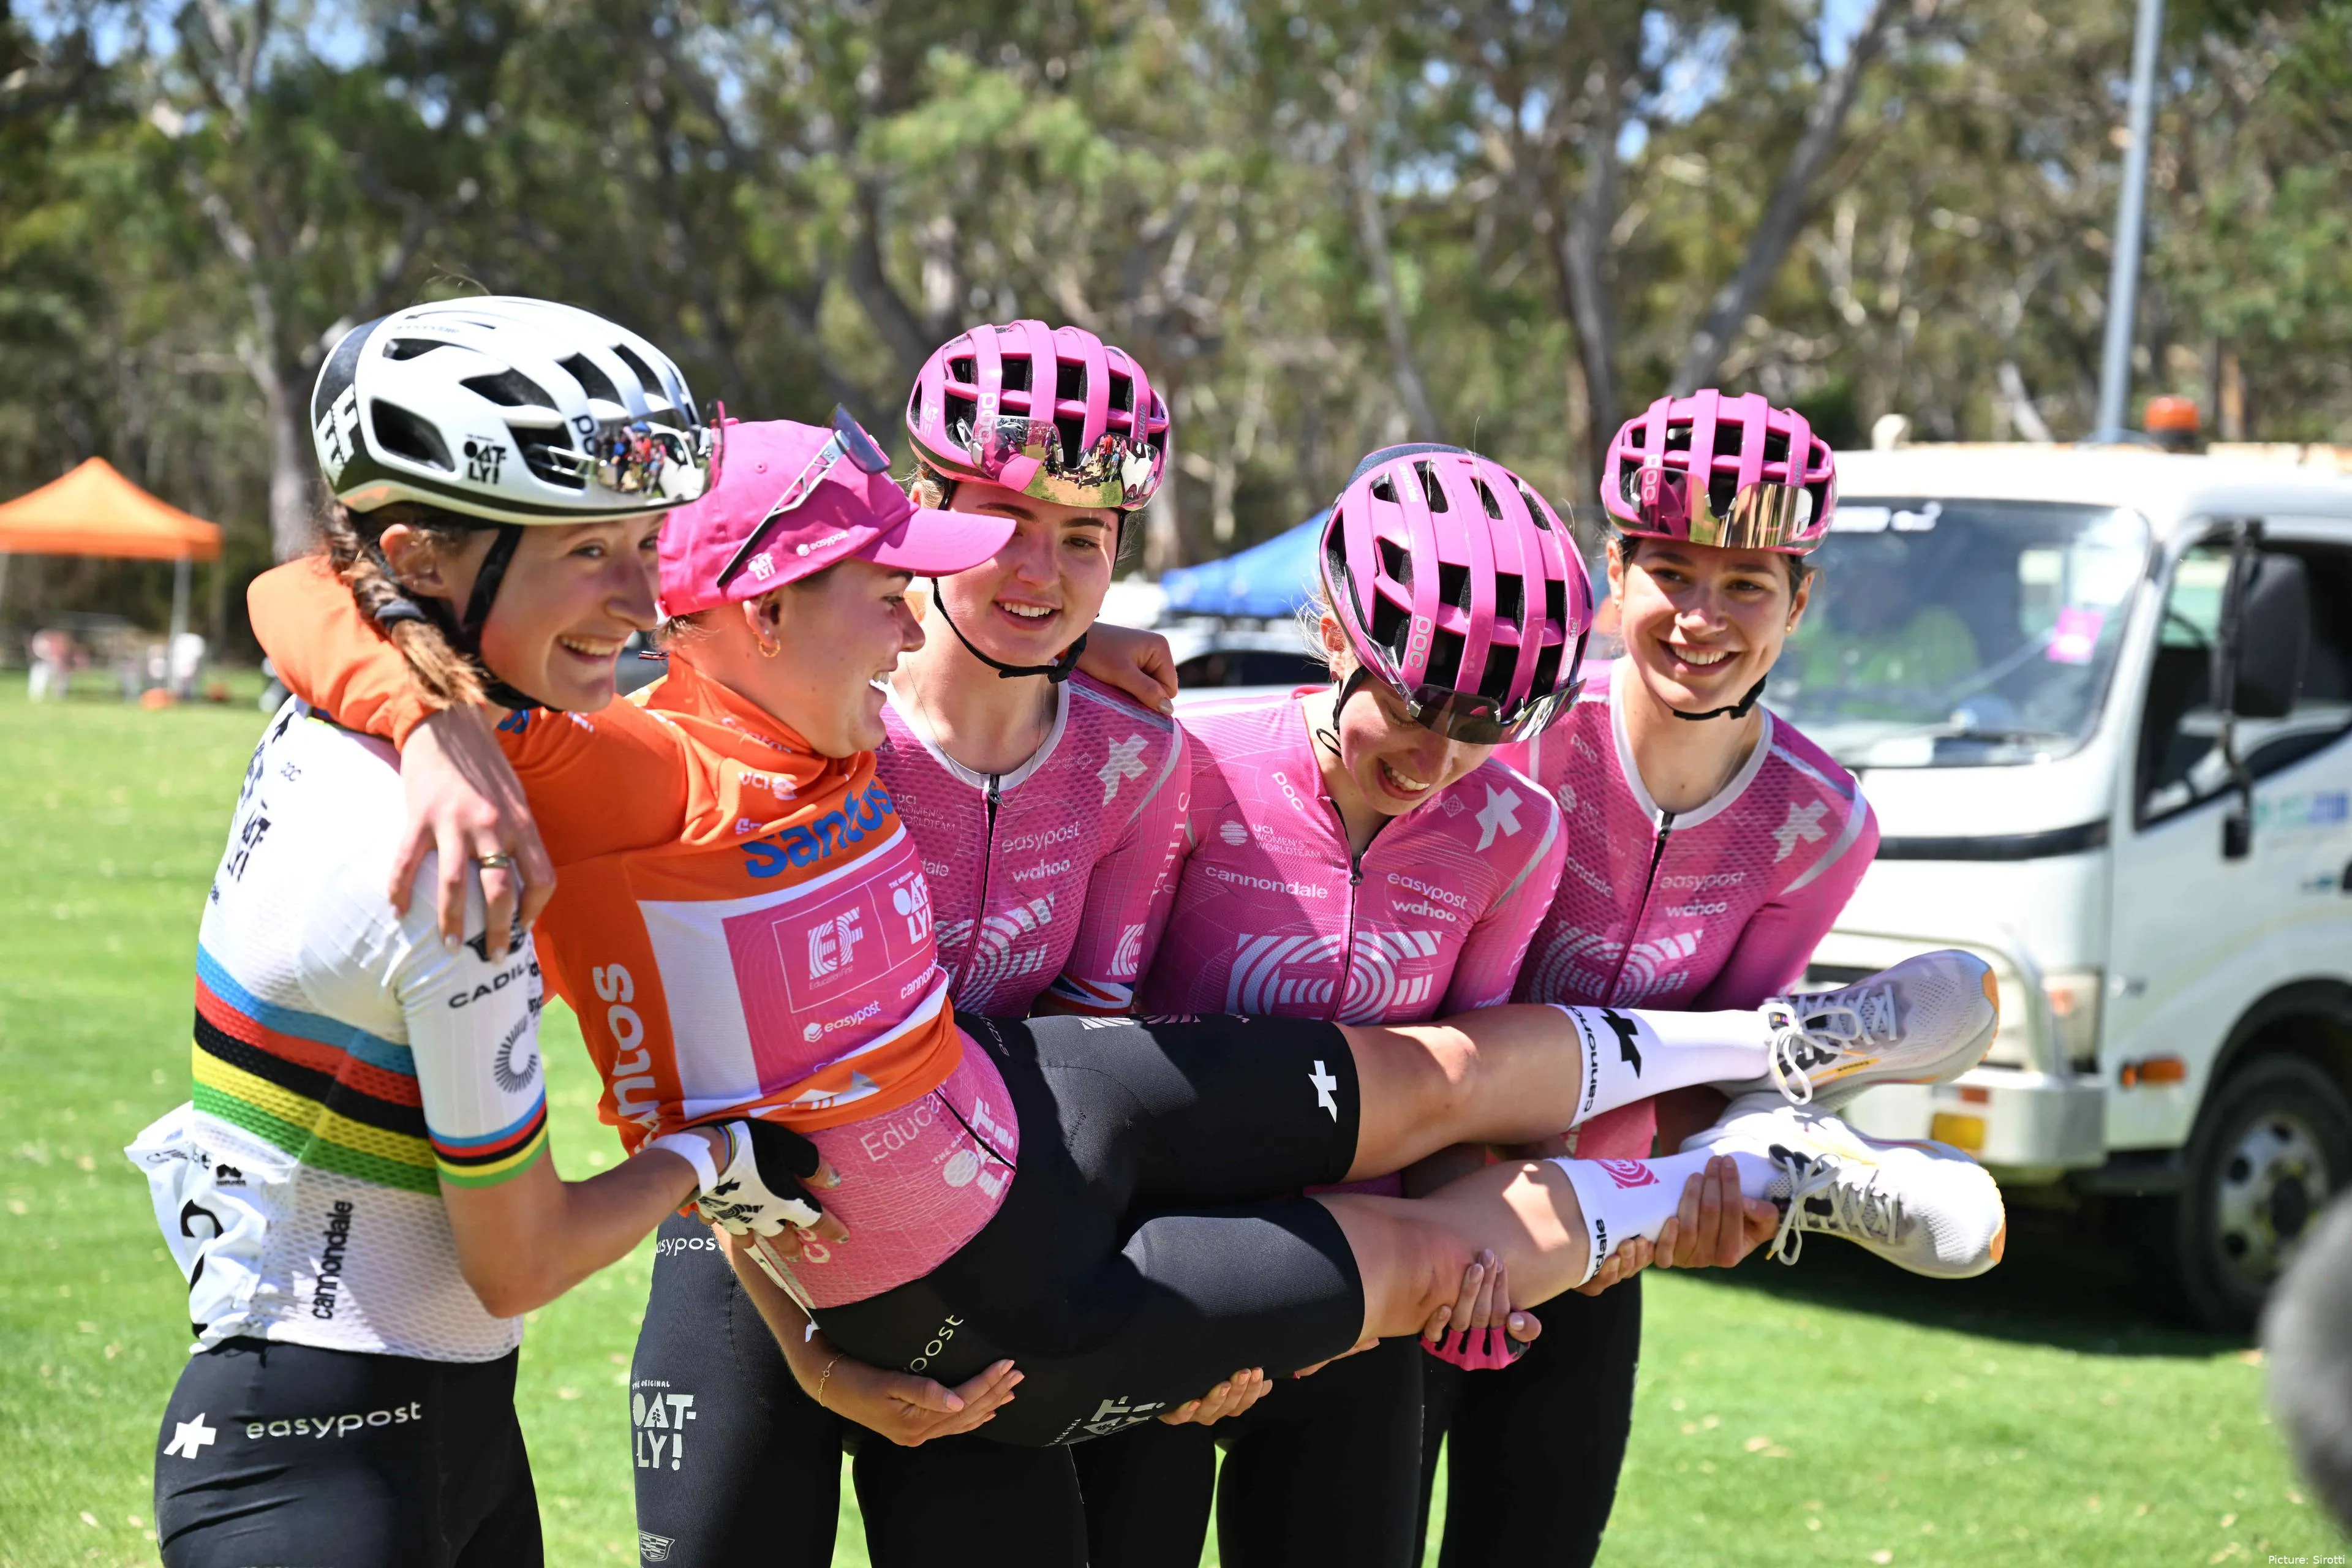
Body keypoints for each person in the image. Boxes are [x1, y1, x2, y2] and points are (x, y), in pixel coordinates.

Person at [251, 407, 2007, 1558]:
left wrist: (1074, 638)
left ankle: (1777, 1068)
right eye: (888, 584)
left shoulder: (879, 717)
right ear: (757, 609)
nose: (928, 610)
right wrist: (433, 726)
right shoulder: (626, 761)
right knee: (1423, 1261)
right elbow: (305, 594)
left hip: (1049, 1096)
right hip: (965, 1265)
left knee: (1442, 1079)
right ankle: (1765, 1175)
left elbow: (1001, 657)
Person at [125, 296, 788, 1568]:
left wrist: (432, 715)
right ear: (424, 557)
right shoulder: (460, 853)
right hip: (326, 1471)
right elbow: (520, 1258)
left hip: (399, 1437)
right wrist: (710, 1159)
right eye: (590, 549)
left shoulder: (408, 718)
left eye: (647, 544)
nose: (643, 602)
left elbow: (307, 585)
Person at [626, 323, 1250, 1568]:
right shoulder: (802, 730)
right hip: (751, 1246)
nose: (1042, 568)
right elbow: (687, 1079)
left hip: (978, 1267)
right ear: (921, 514)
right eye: (1007, 523)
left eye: (1085, 538)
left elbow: (1092, 1080)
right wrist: (806, 1350)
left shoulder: (1135, 758)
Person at [1415, 390, 1895, 1567]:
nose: (1700, 617)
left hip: (1595, 1247)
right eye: (1671, 571)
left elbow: (1735, 1060)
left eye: (1745, 583)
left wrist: (1707, 1185)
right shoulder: (1513, 730)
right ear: (1612, 573)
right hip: (1414, 1208)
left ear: (1800, 601)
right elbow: (1410, 990)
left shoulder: (1821, 824)